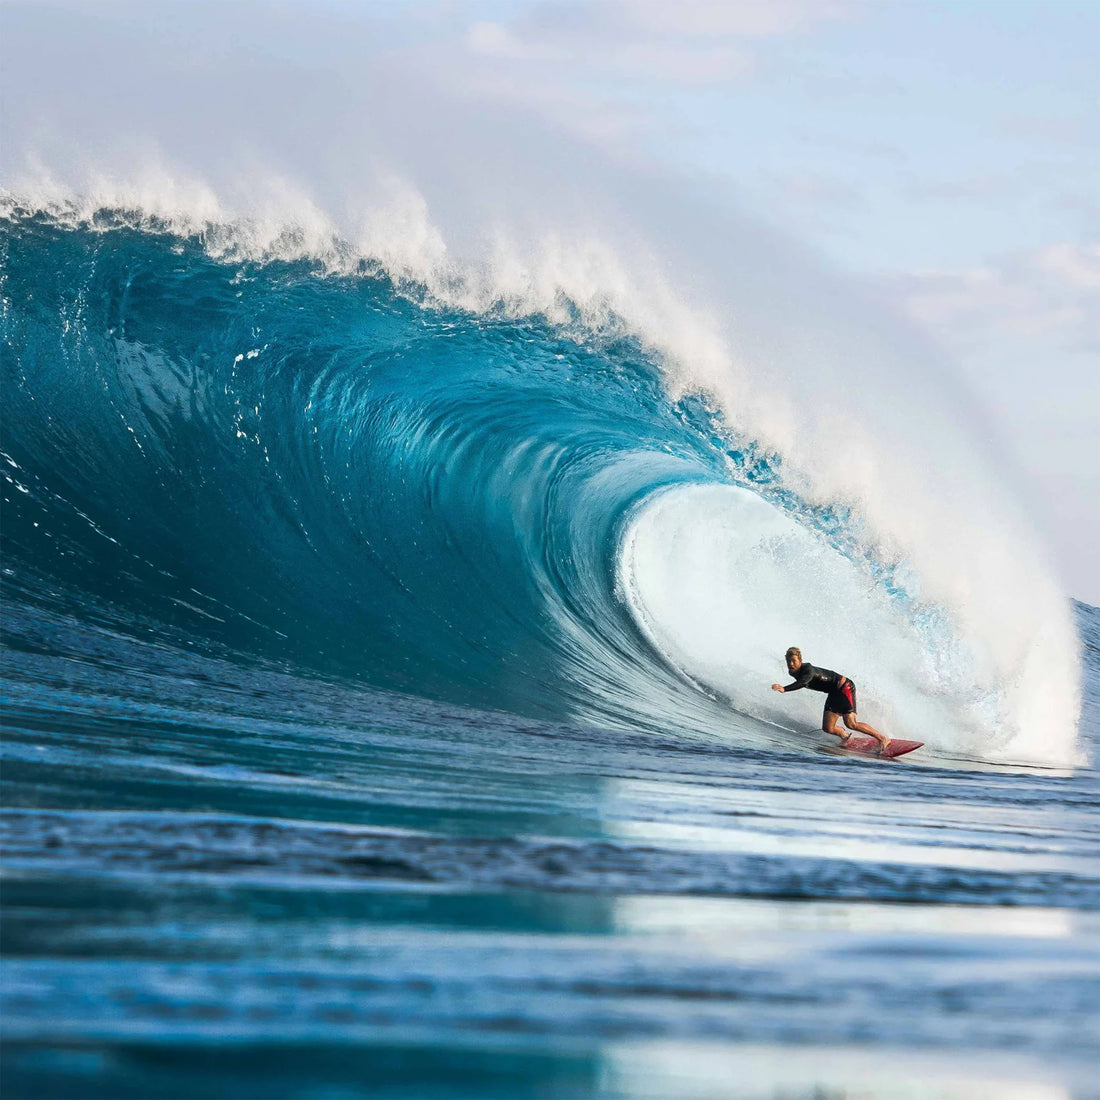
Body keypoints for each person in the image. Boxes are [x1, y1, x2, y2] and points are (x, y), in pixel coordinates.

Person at [771, 646, 891, 752]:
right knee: (828, 728)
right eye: (788, 661)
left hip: (844, 687)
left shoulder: (808, 670)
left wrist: (785, 689)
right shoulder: (793, 672)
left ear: (800, 660)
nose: (791, 664)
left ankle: (883, 738)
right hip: (833, 692)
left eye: (794, 661)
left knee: (851, 723)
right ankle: (846, 737)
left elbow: (803, 682)